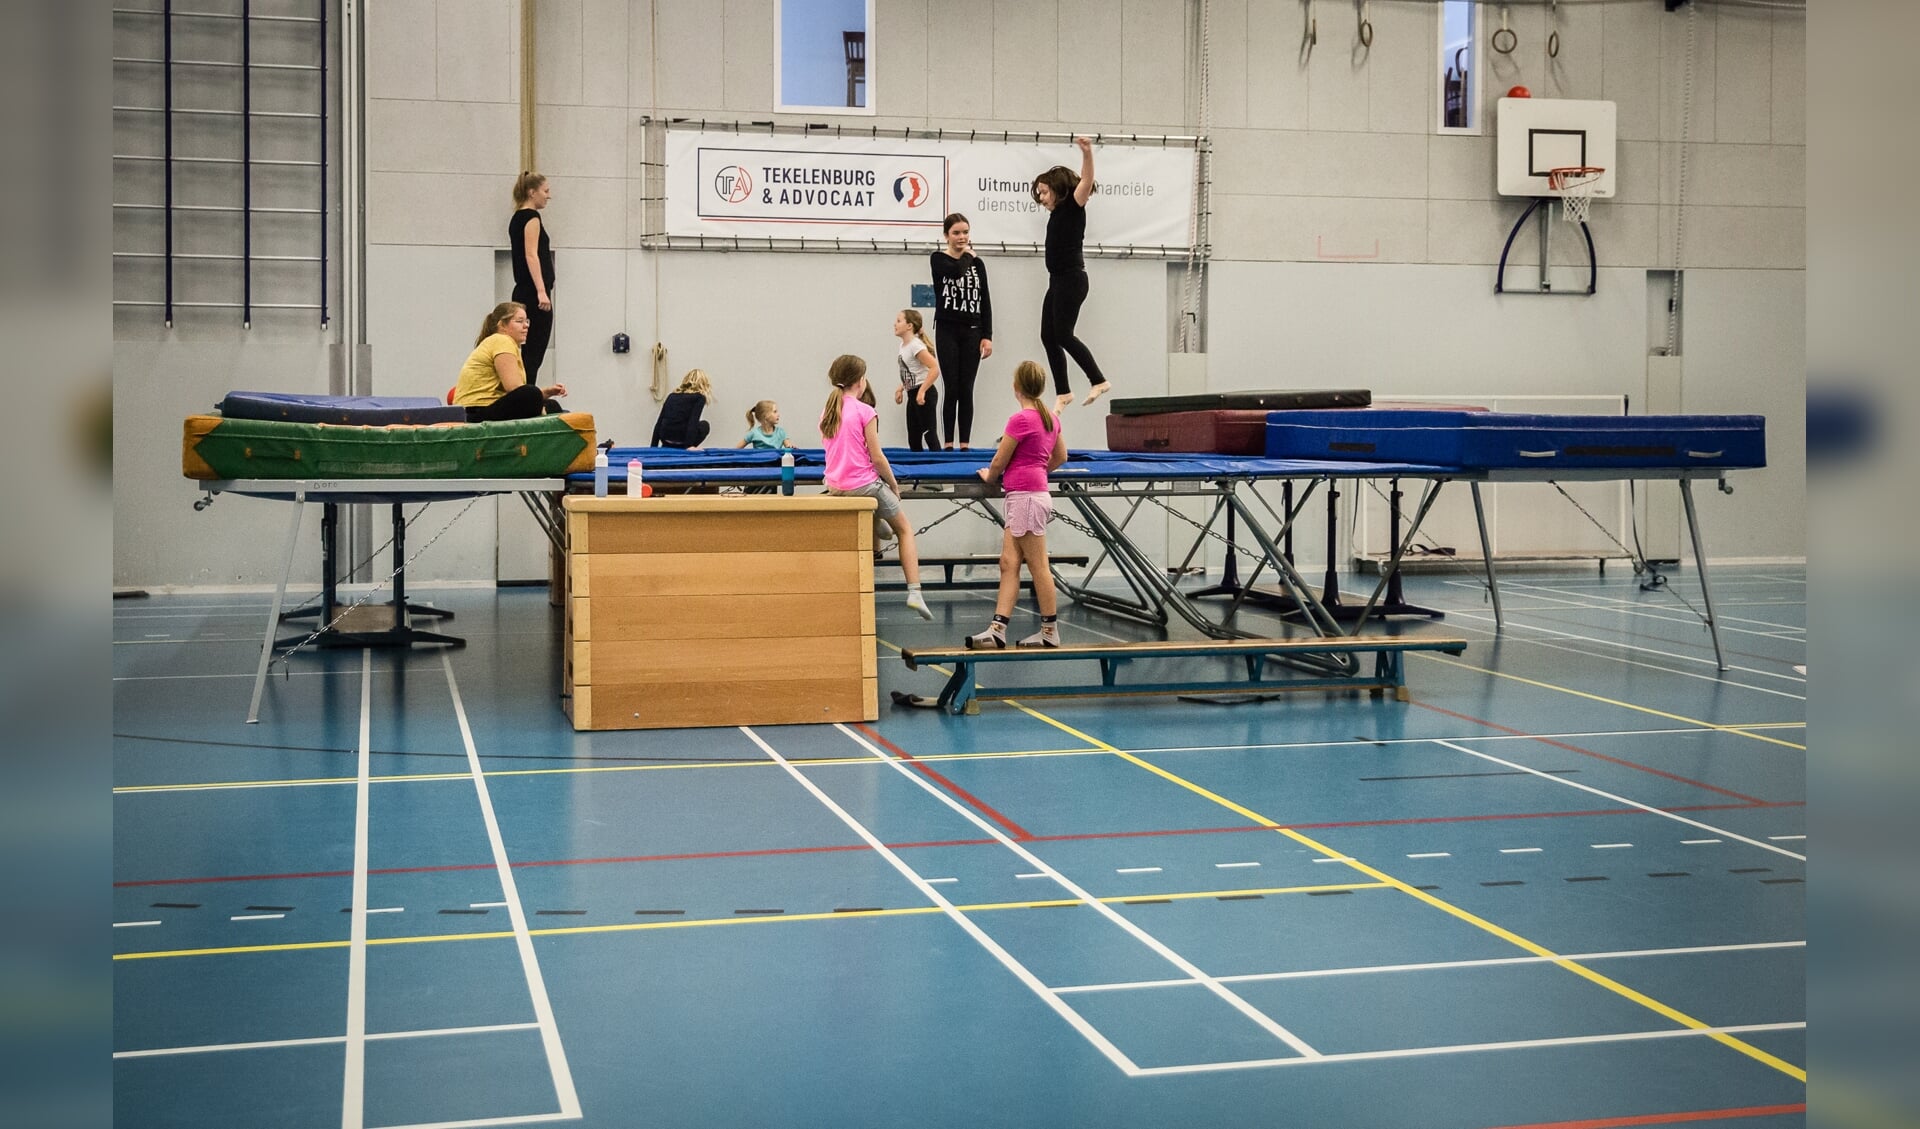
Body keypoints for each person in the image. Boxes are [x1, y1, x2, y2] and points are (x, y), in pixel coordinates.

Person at [819, 355, 933, 620]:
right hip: (863, 485)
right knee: (904, 530)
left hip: (836, 485)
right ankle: (915, 591)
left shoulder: (828, 411)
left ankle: (877, 520)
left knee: (877, 513)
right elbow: (877, 457)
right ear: (860, 382)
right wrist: (893, 485)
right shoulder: (864, 411)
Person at [967, 360, 1068, 649]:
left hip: (1026, 497)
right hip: (1027, 495)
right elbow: (1061, 457)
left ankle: (1049, 632)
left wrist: (991, 475)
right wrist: (1038, 471)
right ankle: (997, 629)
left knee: (1038, 566)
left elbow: (999, 459)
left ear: (1017, 388)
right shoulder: (1050, 417)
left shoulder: (1021, 419)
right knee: (1008, 563)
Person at [1032, 136, 1111, 414]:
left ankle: (1098, 380)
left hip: (1072, 279)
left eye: (1043, 192)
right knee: (1047, 335)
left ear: (1057, 188)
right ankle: (1063, 392)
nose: (1040, 198)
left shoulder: (1073, 206)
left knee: (1063, 334)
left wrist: (1087, 153)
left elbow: (1086, 181)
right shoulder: (1055, 215)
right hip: (1057, 281)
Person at [930, 213, 993, 449]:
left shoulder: (978, 264)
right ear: (946, 236)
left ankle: (965, 443)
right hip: (947, 329)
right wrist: (967, 254)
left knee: (967, 388)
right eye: (956, 233)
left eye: (965, 232)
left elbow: (985, 299)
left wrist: (988, 335)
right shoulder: (938, 259)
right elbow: (955, 271)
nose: (962, 237)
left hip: (973, 330)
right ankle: (948, 443)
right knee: (952, 387)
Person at [452, 301, 568, 422]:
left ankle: (541, 412)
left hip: (486, 407)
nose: (526, 326)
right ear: (502, 325)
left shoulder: (504, 343)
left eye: (527, 321)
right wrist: (538, 395)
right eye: (519, 321)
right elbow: (514, 388)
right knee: (531, 394)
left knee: (551, 404)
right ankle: (540, 413)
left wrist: (546, 392)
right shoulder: (501, 340)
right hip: (475, 411)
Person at [507, 171, 557, 383]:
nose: (548, 196)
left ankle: (525, 393)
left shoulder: (517, 217)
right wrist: (541, 291)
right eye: (545, 191)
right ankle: (528, 398)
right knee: (533, 355)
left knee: (526, 356)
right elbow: (531, 254)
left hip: (523, 292)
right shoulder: (532, 218)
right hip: (533, 295)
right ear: (531, 192)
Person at [892, 309, 941, 452]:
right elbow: (911, 371)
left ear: (909, 326)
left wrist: (922, 391)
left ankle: (939, 467)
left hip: (924, 394)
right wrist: (901, 388)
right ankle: (918, 470)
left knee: (929, 434)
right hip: (912, 393)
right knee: (913, 437)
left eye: (899, 321)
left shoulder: (916, 345)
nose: (895, 324)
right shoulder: (903, 346)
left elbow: (934, 368)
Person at [651, 369, 712, 448]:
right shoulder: (699, 397)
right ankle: (684, 446)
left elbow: (659, 422)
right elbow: (692, 422)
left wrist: (653, 447)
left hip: (666, 439)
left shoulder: (672, 396)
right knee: (705, 425)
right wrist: (689, 446)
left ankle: (671, 444)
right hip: (681, 441)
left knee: (673, 424)